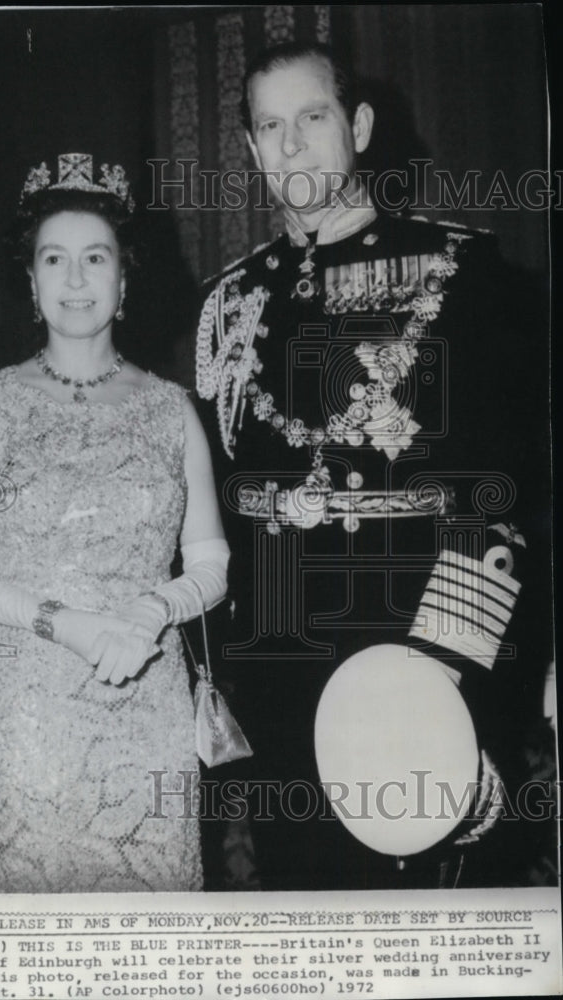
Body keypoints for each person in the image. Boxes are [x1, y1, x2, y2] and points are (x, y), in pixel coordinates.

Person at [196, 42, 551, 891]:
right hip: (283, 668)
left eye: (311, 119)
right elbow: (216, 504)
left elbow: (505, 489)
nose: (290, 147)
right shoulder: (230, 302)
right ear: (249, 148)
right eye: (269, 128)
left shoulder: (465, 272)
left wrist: (442, 672)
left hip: (421, 646)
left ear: (356, 125)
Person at [0, 152, 229, 893]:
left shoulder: (173, 409)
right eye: (55, 259)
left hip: (146, 712)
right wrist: (64, 622)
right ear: (30, 281)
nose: (76, 279)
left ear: (124, 280)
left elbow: (210, 565)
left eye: (96, 258)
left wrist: (155, 607)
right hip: (29, 719)